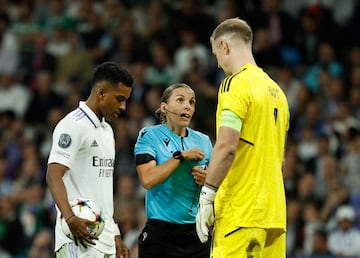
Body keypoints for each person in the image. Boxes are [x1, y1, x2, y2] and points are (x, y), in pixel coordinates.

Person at [195, 18, 290, 257]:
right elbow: (280, 162)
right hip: (274, 217)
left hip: (240, 213)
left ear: (225, 46)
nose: (218, 64)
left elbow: (227, 146)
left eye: (216, 54)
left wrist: (207, 196)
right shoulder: (278, 93)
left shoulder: (235, 85)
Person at [46, 61, 134, 258]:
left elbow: (103, 188)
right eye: (119, 99)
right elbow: (53, 175)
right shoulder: (72, 125)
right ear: (101, 93)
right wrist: (70, 218)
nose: (123, 107)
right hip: (77, 236)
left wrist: (116, 235)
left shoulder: (107, 130)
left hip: (105, 240)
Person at [134, 83, 213, 258]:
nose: (187, 105)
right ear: (165, 107)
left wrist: (208, 179)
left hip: (197, 233)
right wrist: (180, 157)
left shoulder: (204, 141)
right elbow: (147, 179)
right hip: (161, 233)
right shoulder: (149, 135)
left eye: (192, 102)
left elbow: (219, 183)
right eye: (180, 100)